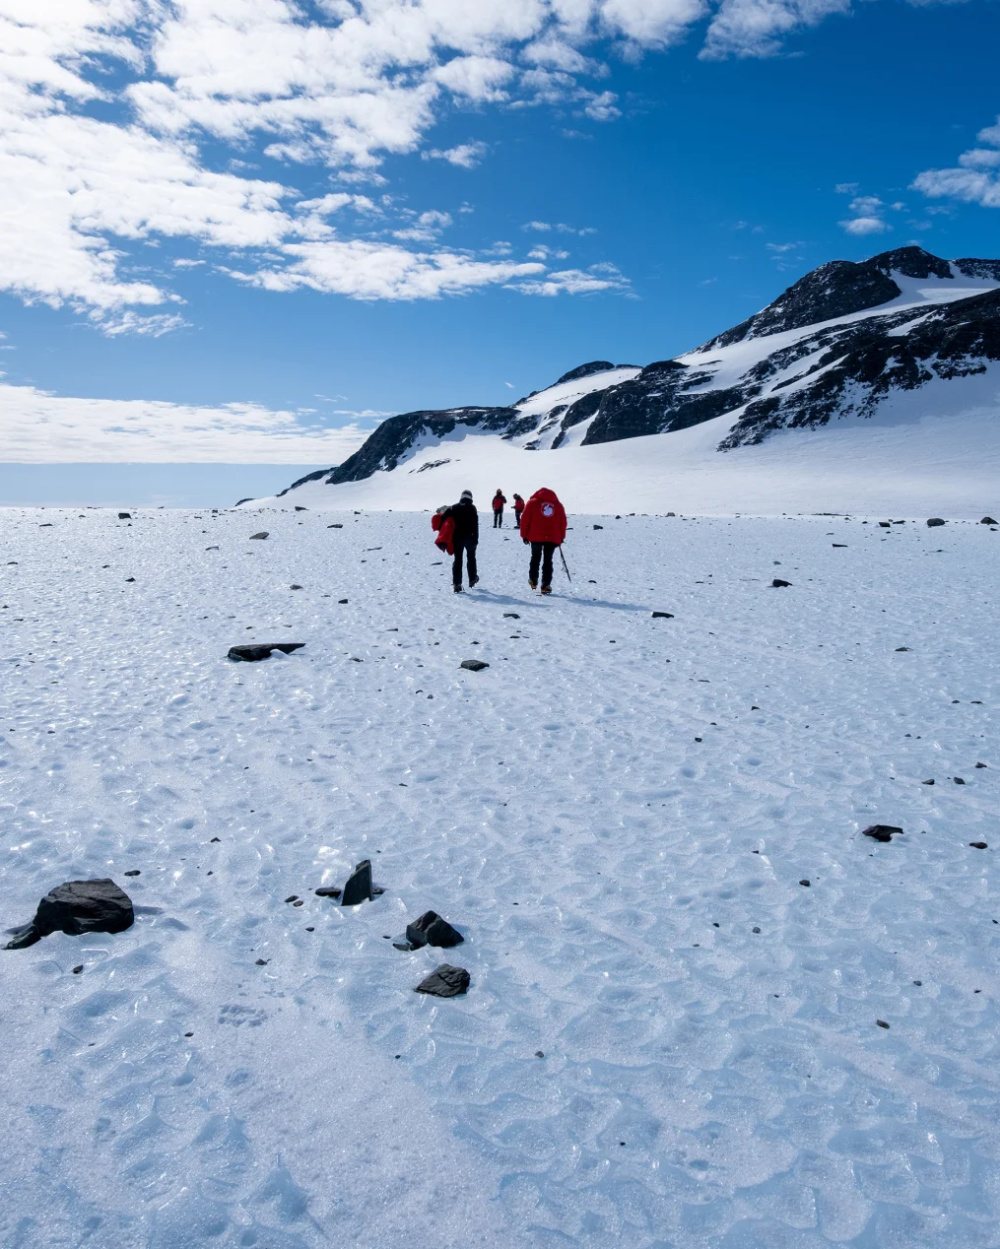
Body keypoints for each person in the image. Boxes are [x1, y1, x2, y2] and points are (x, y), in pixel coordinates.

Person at [518, 486, 567, 594]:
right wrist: (561, 537)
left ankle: (533, 580)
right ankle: (545, 585)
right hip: (552, 537)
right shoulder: (558, 505)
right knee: (548, 560)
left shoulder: (532, 503)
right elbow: (562, 523)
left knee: (535, 557)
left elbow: (525, 520)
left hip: (535, 536)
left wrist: (524, 535)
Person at [443, 490, 479, 592]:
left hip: (457, 538)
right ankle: (472, 579)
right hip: (470, 538)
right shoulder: (472, 508)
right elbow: (475, 525)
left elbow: (444, 517)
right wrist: (476, 539)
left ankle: (457, 584)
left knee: (458, 560)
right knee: (471, 559)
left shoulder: (454, 507)